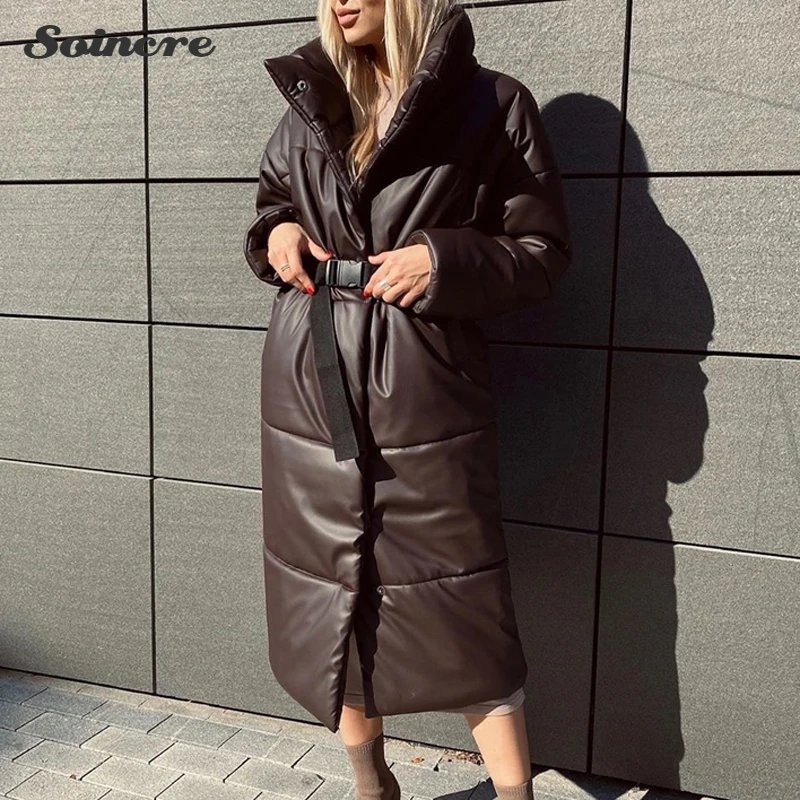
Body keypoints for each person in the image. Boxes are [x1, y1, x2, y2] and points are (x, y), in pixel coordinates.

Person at [242, 1, 572, 800]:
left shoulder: (493, 104)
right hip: (312, 383)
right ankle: (370, 785)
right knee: (334, 599)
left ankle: (515, 793)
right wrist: (277, 235)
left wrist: (440, 261)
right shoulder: (313, 95)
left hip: (424, 391)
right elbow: (273, 205)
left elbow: (542, 251)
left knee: (464, 602)